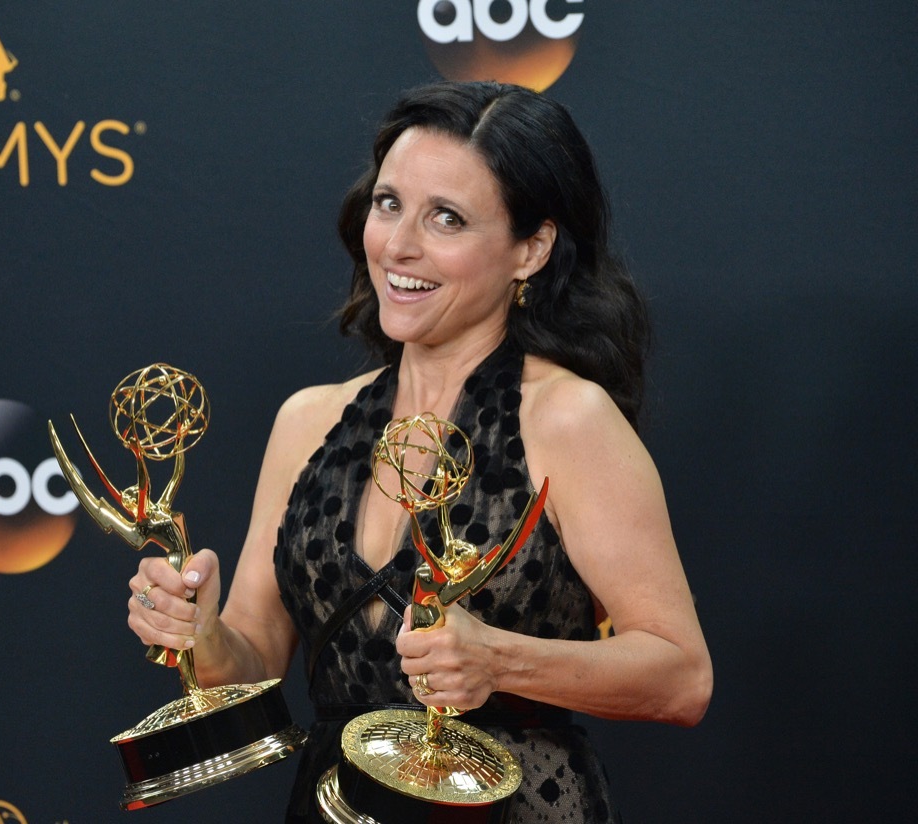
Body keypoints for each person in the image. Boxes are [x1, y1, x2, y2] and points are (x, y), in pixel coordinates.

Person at [127, 80, 713, 822]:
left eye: (448, 218)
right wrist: (201, 634)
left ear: (530, 248)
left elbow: (682, 677)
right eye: (389, 202)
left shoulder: (570, 420)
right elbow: (256, 669)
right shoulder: (309, 421)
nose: (400, 245)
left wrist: (498, 659)